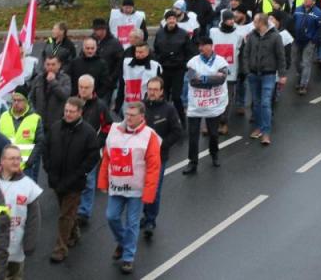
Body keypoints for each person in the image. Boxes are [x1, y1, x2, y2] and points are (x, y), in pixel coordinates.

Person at [97, 102, 161, 275]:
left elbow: (154, 166)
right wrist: (102, 181)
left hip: (136, 189)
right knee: (111, 217)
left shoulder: (149, 136)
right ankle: (124, 242)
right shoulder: (115, 131)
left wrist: (149, 193)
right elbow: (107, 158)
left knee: (132, 223)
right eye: (127, 114)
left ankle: (128, 258)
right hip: (117, 186)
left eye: (133, 115)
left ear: (142, 116)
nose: (129, 118)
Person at [43, 97, 99, 263]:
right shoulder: (55, 127)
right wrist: (48, 169)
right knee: (67, 212)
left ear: (80, 112)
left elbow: (92, 157)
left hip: (74, 182)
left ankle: (61, 248)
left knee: (65, 215)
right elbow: (46, 149)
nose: (67, 114)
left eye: (71, 112)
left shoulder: (88, 133)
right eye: (66, 111)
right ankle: (74, 233)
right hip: (56, 179)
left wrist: (79, 174)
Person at [181, 37, 229, 174]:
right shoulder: (193, 62)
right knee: (193, 134)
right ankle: (193, 162)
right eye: (199, 46)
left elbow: (221, 79)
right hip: (196, 105)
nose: (200, 48)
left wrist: (202, 78)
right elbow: (192, 80)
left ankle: (214, 154)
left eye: (203, 45)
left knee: (213, 133)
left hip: (213, 105)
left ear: (210, 46)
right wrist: (210, 79)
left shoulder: (221, 61)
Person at [141, 77, 182, 238]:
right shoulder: (140, 107)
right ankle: (144, 215)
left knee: (154, 189)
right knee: (141, 189)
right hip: (140, 156)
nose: (152, 92)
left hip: (158, 157)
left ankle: (151, 219)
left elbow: (177, 131)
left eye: (155, 90)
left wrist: (162, 144)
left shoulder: (169, 109)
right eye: (150, 89)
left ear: (161, 91)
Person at [241, 13, 287, 146]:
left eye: (255, 21)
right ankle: (259, 127)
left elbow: (280, 56)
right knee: (256, 103)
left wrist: (282, 75)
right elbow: (246, 53)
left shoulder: (275, 36)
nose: (253, 23)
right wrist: (247, 70)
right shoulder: (252, 36)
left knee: (266, 103)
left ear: (262, 22)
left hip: (269, 74)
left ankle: (266, 132)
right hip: (253, 74)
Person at [0, 146, 41, 278]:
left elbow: (34, 219)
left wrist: (30, 244)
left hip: (15, 248)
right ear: (2, 161)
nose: (16, 162)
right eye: (12, 159)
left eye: (18, 158)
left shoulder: (28, 186)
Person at [74, 75, 112, 228]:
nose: (83, 90)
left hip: (90, 151)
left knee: (88, 182)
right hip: (73, 149)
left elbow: (107, 126)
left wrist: (98, 143)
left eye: (86, 87)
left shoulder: (100, 106)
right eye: (81, 87)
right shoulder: (73, 102)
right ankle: (73, 207)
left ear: (92, 88)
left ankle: (84, 212)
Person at [153, 10, 196, 126]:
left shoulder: (183, 34)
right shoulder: (160, 33)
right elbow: (155, 50)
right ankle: (165, 121)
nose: (171, 21)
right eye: (169, 18)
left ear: (176, 20)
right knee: (164, 97)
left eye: (173, 18)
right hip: (164, 69)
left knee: (177, 97)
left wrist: (185, 64)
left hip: (178, 69)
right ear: (166, 20)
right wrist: (159, 60)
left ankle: (182, 121)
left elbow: (190, 51)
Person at [208, 10, 244, 135]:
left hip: (231, 72)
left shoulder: (238, 34)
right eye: (229, 19)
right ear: (223, 19)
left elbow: (242, 53)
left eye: (233, 19)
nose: (232, 21)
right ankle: (209, 123)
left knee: (226, 99)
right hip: (214, 71)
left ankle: (223, 123)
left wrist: (243, 70)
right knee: (212, 97)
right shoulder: (213, 32)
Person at [0, 92, 44, 180]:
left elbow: (40, 143)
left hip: (25, 168)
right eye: (14, 100)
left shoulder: (35, 118)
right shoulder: (3, 116)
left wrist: (30, 162)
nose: (16, 103)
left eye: (19, 100)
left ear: (26, 102)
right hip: (5, 167)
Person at [29, 55, 72, 136]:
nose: (50, 67)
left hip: (57, 122)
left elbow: (64, 95)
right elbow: (31, 98)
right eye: (48, 64)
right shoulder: (38, 79)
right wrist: (34, 112)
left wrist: (53, 82)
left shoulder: (65, 79)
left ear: (59, 65)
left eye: (53, 64)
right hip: (40, 122)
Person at [292, 0, 321, 95]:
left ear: (313, 1)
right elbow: (293, 22)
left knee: (306, 63)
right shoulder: (298, 10)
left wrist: (314, 39)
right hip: (297, 40)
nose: (306, 0)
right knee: (296, 61)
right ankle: (300, 76)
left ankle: (303, 85)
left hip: (309, 41)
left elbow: (320, 29)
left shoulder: (318, 13)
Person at [117, 43, 162, 113]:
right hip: (129, 105)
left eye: (141, 52)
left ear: (147, 52)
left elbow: (160, 86)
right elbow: (122, 85)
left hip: (148, 105)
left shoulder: (155, 66)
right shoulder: (126, 64)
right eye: (136, 52)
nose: (138, 54)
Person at [91, 18, 125, 105]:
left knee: (102, 107)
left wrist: (112, 78)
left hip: (106, 84)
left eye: (97, 30)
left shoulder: (114, 44)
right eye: (94, 29)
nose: (95, 32)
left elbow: (119, 64)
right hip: (92, 82)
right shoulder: (91, 41)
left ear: (104, 30)